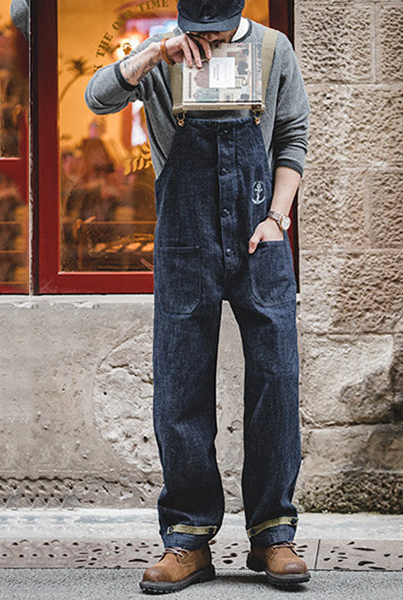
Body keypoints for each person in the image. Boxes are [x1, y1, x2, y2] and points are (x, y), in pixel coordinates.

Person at [85, 0, 309, 593]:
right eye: (193, 31)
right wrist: (153, 52)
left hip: (260, 235)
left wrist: (277, 219)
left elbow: (292, 138)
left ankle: (273, 534)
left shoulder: (272, 49)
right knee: (181, 381)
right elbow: (97, 98)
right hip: (185, 236)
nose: (203, 40)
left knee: (276, 377)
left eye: (213, 31)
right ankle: (188, 538)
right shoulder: (161, 50)